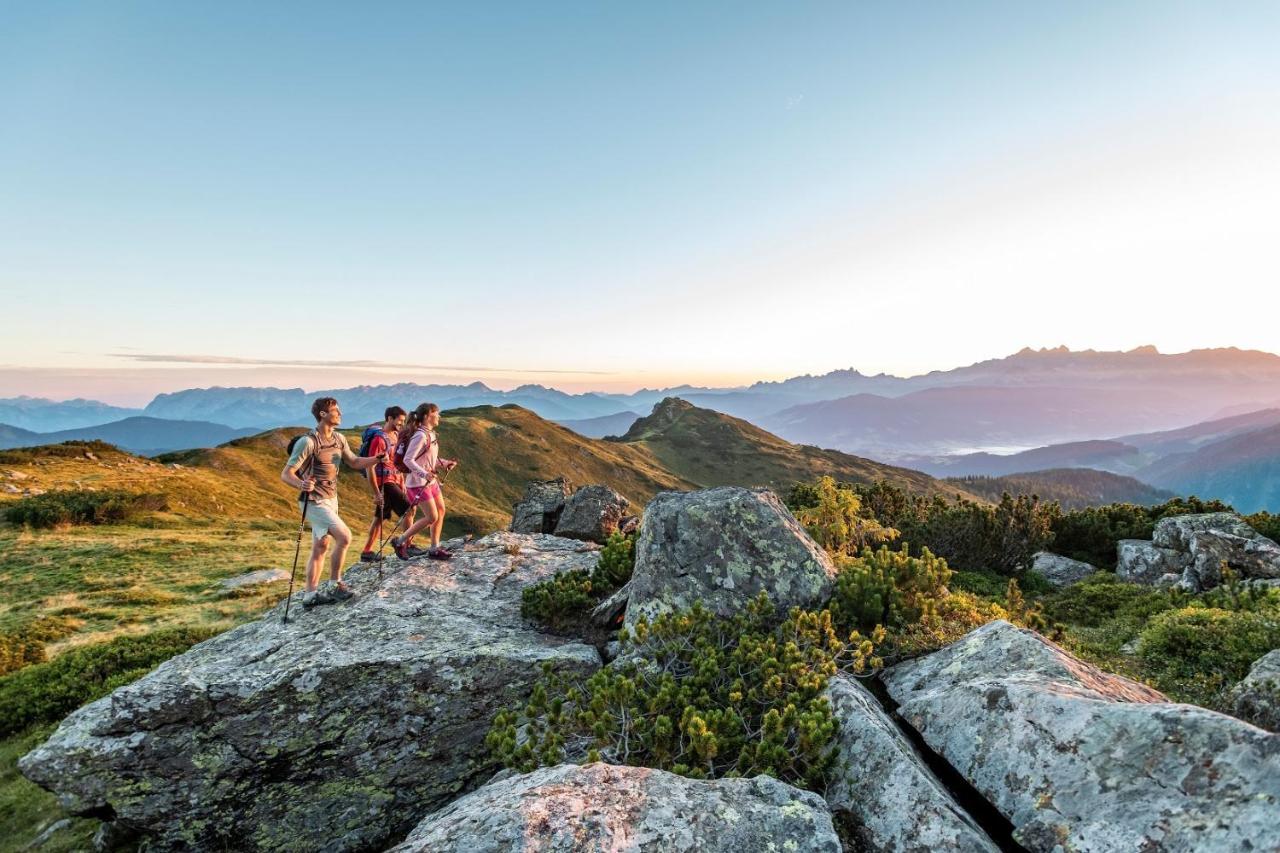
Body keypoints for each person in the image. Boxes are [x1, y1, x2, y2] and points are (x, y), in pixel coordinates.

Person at [280, 397, 384, 607]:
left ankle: (310, 595)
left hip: (331, 498)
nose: (340, 413)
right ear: (323, 414)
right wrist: (301, 484)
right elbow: (286, 473)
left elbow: (354, 461)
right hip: (313, 500)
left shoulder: (339, 439)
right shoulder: (308, 442)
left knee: (321, 546)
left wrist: (377, 459)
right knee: (345, 537)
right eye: (336, 410)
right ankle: (334, 584)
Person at [392, 402, 457, 561]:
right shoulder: (420, 435)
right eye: (437, 414)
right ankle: (400, 542)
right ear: (428, 416)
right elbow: (408, 460)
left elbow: (426, 460)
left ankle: (434, 548)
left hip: (429, 481)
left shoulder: (430, 434)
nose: (439, 417)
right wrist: (424, 474)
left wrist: (444, 462)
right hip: (418, 483)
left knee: (441, 511)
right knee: (432, 516)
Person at [358, 406, 416, 562]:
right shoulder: (379, 439)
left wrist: (402, 481)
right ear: (390, 418)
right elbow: (370, 466)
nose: (401, 424)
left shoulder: (396, 436)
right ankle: (406, 546)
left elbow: (395, 462)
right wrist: (376, 493)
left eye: (404, 421)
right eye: (400, 420)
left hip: (394, 480)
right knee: (408, 510)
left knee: (379, 518)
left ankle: (367, 551)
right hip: (384, 482)